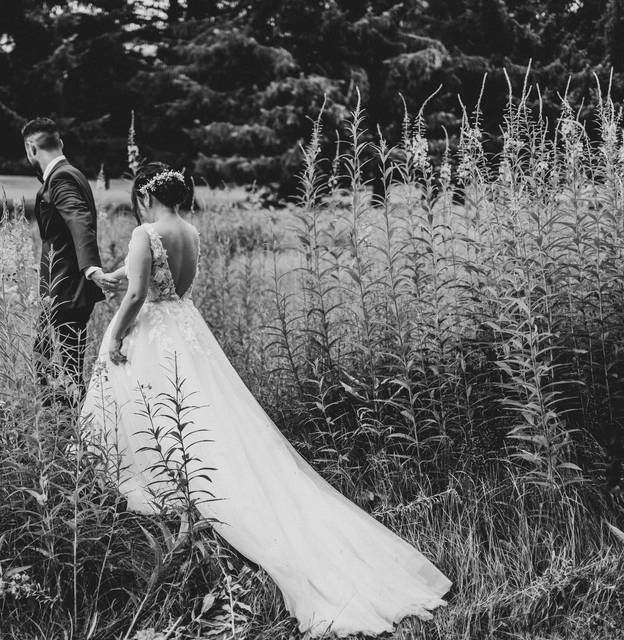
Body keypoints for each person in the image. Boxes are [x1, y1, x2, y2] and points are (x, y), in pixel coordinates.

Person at [79, 162, 452, 637]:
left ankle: (169, 497)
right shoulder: (189, 231)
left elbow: (137, 294)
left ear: (144, 196)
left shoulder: (144, 231)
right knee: (207, 414)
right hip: (187, 329)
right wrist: (117, 278)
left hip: (153, 331)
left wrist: (115, 335)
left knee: (150, 409)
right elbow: (159, 280)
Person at [22, 117, 120, 407]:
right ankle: (68, 430)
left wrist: (91, 268)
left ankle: (70, 434)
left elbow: (79, 219)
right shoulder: (72, 173)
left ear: (31, 148)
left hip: (65, 294)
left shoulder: (61, 178)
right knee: (53, 365)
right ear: (60, 143)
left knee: (63, 374)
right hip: (62, 292)